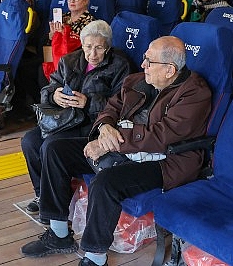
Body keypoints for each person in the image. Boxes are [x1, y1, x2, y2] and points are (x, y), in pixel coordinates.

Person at [20, 36, 212, 265]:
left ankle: (95, 257)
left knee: (106, 182)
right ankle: (59, 233)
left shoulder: (195, 94)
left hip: (166, 161)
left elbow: (162, 136)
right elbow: (111, 107)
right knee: (54, 149)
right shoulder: (137, 80)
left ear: (170, 70)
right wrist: (105, 126)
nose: (143, 65)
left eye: (149, 61)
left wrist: (108, 143)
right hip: (125, 147)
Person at [21, 20, 133, 216]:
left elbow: (123, 104)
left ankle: (56, 206)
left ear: (107, 47)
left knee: (50, 146)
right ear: (82, 45)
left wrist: (88, 102)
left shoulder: (120, 66)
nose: (93, 54)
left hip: (92, 124)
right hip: (65, 119)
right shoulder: (69, 61)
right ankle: (41, 194)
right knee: (29, 141)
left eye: (99, 47)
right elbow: (48, 89)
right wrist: (55, 95)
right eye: (88, 47)